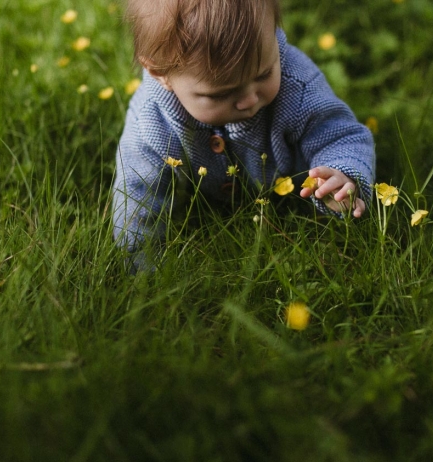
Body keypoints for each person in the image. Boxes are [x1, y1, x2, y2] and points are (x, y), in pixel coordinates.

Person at [114, 0, 375, 270]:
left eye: (264, 74)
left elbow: (340, 136)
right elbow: (137, 191)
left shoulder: (298, 86)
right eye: (222, 94)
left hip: (294, 194)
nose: (249, 100)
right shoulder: (151, 120)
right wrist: (141, 265)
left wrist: (342, 174)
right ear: (161, 74)